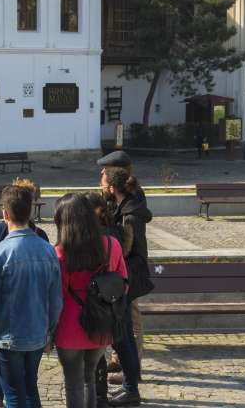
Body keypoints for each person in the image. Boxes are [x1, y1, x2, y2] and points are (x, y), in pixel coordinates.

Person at [0, 187, 61, 408]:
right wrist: (50, 332)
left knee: (15, 396)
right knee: (30, 389)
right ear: (29, 213)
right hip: (37, 333)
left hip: (7, 338)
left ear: (4, 214)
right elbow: (55, 300)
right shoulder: (48, 250)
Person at [52, 193, 131, 408]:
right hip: (101, 323)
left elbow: (56, 295)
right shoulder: (111, 245)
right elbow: (124, 284)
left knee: (73, 382)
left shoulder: (60, 253)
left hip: (69, 326)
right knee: (90, 379)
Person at [102, 168, 151, 407]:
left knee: (125, 336)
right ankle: (130, 386)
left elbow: (125, 250)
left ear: (112, 187)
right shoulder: (124, 206)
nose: (100, 184)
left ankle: (131, 387)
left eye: (103, 181)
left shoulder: (129, 214)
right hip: (126, 276)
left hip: (127, 277)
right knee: (124, 335)